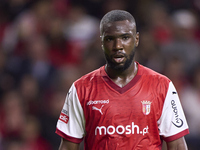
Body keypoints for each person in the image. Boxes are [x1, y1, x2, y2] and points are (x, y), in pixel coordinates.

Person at [55, 10, 189, 150]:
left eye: (125, 37)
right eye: (110, 39)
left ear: (136, 39)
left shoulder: (162, 85)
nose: (117, 46)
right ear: (101, 42)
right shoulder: (81, 88)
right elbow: (68, 146)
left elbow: (178, 145)